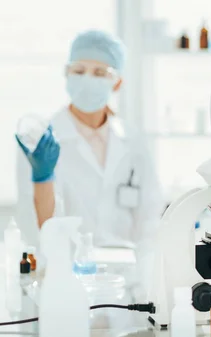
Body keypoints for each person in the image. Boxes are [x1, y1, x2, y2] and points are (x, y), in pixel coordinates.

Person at [16, 30, 163, 291]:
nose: (87, 79)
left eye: (99, 73)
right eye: (79, 70)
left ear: (117, 83)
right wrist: (43, 177)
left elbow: (150, 217)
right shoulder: (41, 142)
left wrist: (149, 279)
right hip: (66, 280)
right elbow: (35, 226)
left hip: (129, 284)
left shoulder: (134, 141)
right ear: (66, 74)